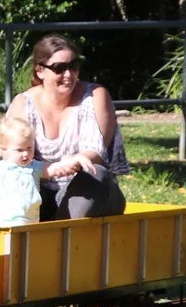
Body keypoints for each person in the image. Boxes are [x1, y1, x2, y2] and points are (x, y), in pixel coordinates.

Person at [7, 34, 129, 220]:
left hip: (89, 194)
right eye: (60, 68)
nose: (68, 75)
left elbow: (96, 151)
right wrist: (47, 170)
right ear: (40, 71)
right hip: (37, 195)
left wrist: (78, 160)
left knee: (94, 175)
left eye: (73, 66)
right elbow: (9, 155)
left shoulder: (95, 96)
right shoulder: (23, 104)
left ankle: (58, 239)